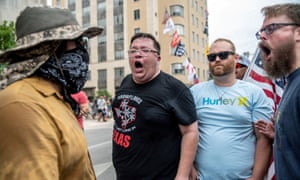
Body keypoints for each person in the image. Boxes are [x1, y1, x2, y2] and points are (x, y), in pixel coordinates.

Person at [0, 6, 103, 179]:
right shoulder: (23, 105)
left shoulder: (56, 98)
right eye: (77, 42)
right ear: (51, 48)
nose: (82, 50)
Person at [112, 32, 198, 179]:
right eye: (133, 50)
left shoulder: (175, 89)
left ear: (158, 58)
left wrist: (182, 176)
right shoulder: (126, 82)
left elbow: (190, 132)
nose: (137, 54)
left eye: (145, 50)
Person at [190, 38, 273, 180]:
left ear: (235, 58)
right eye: (211, 57)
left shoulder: (254, 93)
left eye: (223, 55)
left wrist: (256, 178)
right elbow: (184, 133)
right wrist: (189, 167)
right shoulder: (194, 92)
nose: (217, 59)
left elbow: (263, 139)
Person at [255, 3, 300, 179]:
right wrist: (282, 134)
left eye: (271, 29)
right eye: (261, 33)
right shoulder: (291, 83)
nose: (263, 37)